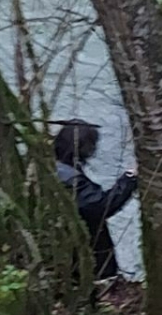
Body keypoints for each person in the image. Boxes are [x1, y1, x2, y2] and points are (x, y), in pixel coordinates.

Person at [54, 119, 138, 280]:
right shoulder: (70, 180)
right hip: (86, 255)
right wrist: (130, 178)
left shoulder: (53, 167)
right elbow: (101, 206)